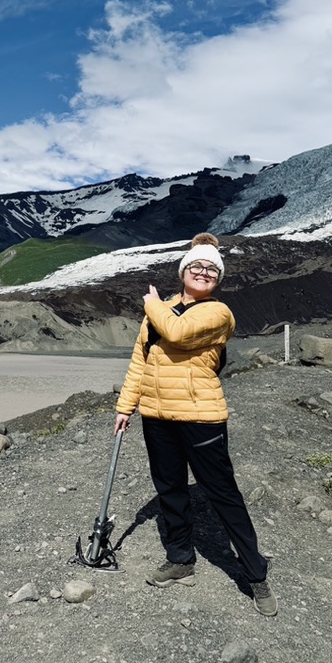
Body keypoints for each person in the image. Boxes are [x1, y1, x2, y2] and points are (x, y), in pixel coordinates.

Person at [114, 233, 278, 617]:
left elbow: (177, 332)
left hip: (201, 416)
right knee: (170, 489)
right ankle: (180, 560)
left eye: (211, 269)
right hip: (156, 415)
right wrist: (127, 405)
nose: (203, 272)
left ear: (217, 279)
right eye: (197, 266)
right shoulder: (161, 309)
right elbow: (141, 359)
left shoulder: (217, 313)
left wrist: (152, 305)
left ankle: (256, 574)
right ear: (183, 271)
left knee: (222, 493)